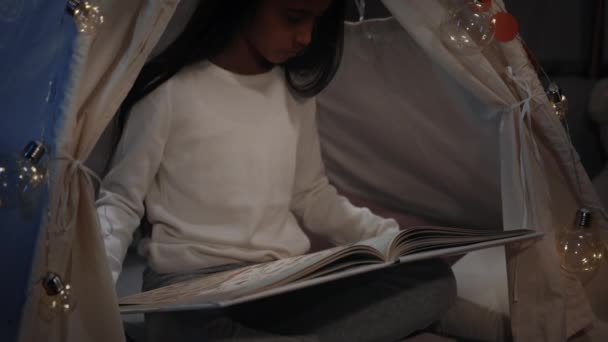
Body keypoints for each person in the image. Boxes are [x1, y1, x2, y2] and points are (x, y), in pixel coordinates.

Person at [96, 0, 456, 341]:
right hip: (190, 289)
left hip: (279, 283)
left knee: (434, 280)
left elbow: (310, 195)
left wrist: (388, 237)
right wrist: (91, 290)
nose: (307, 36)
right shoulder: (169, 91)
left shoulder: (294, 94)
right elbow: (122, 200)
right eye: (294, 17)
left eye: (317, 20)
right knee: (189, 329)